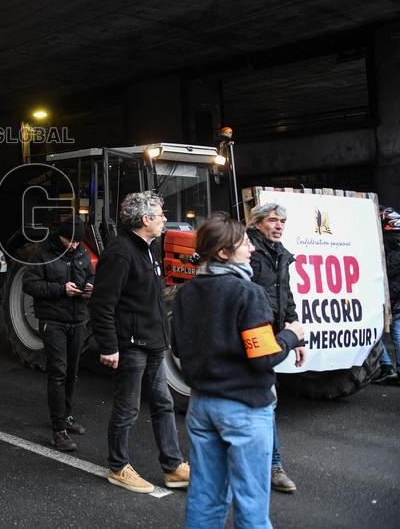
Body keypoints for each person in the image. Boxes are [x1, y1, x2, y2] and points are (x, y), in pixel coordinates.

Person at [172, 213, 305, 529]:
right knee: (252, 506)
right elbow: (262, 358)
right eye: (245, 244)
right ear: (222, 253)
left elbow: (178, 348)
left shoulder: (187, 292)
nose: (252, 249)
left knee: (205, 497)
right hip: (243, 410)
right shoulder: (247, 293)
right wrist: (291, 335)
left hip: (201, 406)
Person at [89, 190, 189, 493]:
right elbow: (102, 304)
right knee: (128, 408)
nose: (165, 219)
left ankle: (173, 467)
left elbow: (153, 299)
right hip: (131, 345)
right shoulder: (120, 253)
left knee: (163, 403)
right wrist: (109, 347)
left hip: (154, 343)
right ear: (145, 219)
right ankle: (118, 467)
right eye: (160, 214)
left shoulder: (149, 248)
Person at [246, 202, 304, 494]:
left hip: (272, 334)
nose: (279, 225)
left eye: (282, 220)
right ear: (257, 223)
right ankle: (273, 466)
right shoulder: (247, 252)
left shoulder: (281, 254)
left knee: (261, 400)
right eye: (272, 220)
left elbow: (286, 295)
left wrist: (296, 336)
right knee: (266, 399)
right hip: (254, 334)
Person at [23, 217, 95, 452]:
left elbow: (91, 276)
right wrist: (61, 289)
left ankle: (67, 416)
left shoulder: (82, 253)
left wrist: (90, 288)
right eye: (70, 241)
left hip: (78, 320)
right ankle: (58, 431)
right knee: (58, 373)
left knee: (72, 373)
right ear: (60, 236)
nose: (74, 246)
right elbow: (30, 284)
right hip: (53, 321)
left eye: (77, 242)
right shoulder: (43, 254)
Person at [373, 207, 400, 384]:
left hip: (392, 292)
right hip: (394, 292)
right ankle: (388, 367)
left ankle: (388, 368)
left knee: (373, 329)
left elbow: (385, 270)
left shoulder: (390, 241)